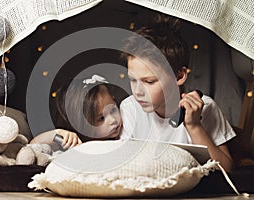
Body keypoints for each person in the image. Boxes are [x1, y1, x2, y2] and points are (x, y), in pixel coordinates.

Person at [120, 15, 236, 172]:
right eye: (133, 80)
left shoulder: (205, 107)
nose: (137, 91)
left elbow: (227, 169)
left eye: (149, 82)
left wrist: (194, 126)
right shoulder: (129, 108)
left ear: (179, 76)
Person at [30, 75, 123, 150]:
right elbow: (33, 145)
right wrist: (58, 133)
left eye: (113, 110)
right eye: (101, 118)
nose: (113, 120)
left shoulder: (125, 129)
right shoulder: (75, 144)